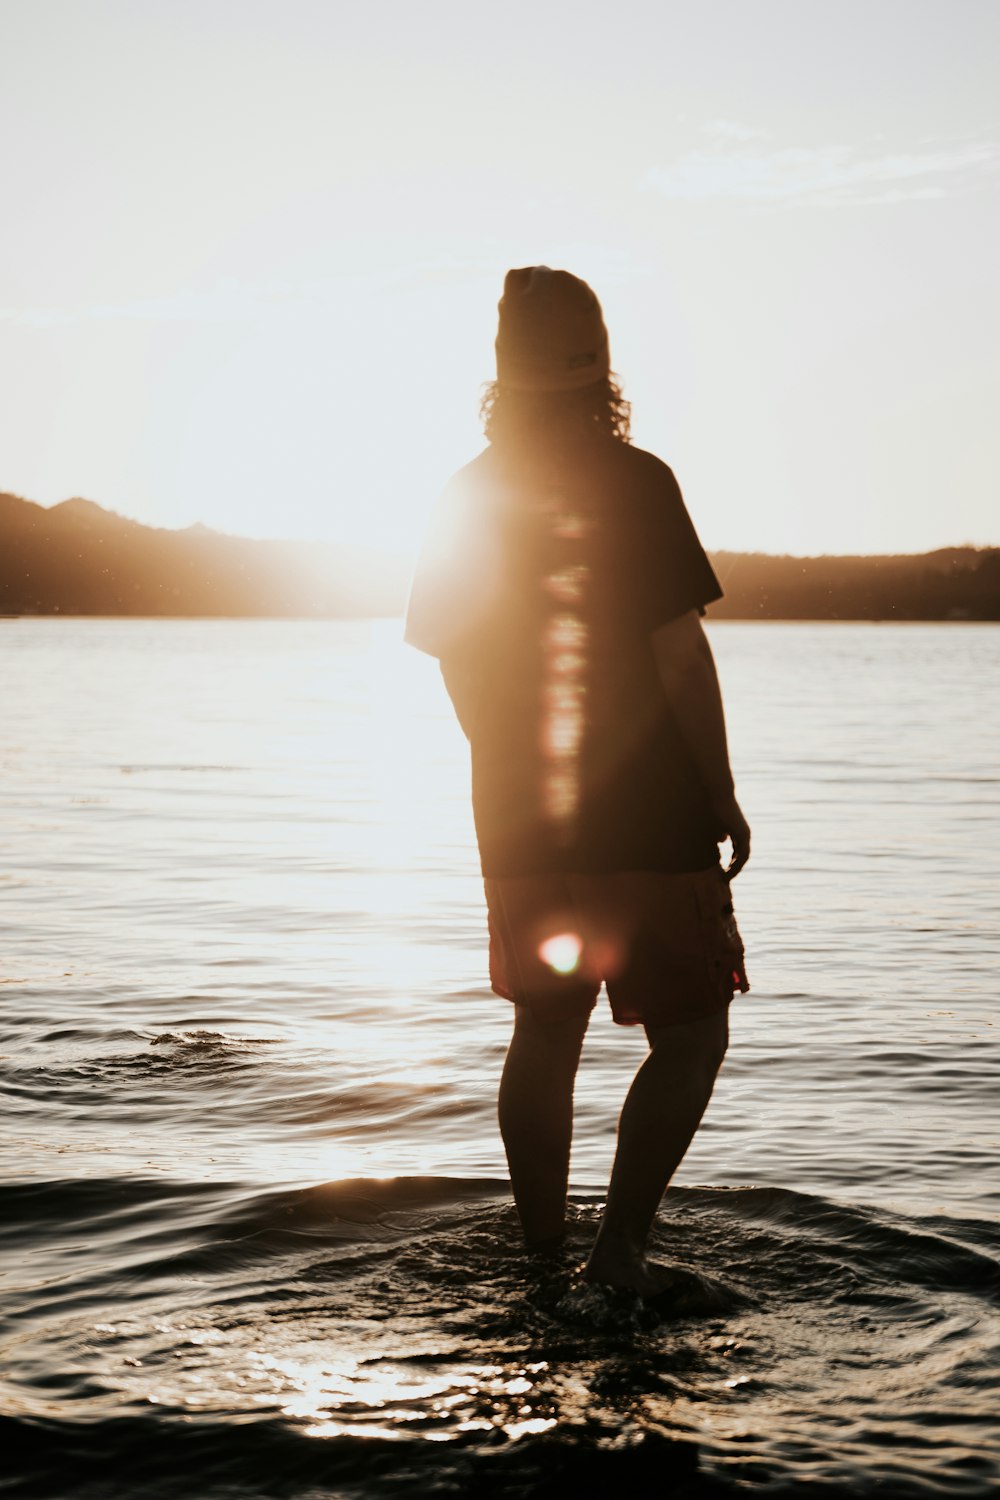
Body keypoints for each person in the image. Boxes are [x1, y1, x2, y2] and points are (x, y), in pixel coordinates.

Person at [405, 267, 750, 1294]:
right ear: (598, 357)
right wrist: (721, 789)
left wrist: (507, 768)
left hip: (520, 823)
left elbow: (457, 664)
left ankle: (543, 1261)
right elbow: (677, 654)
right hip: (652, 817)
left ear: (502, 368)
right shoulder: (633, 480)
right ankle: (620, 1255)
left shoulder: (467, 493)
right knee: (689, 1037)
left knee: (543, 1033)